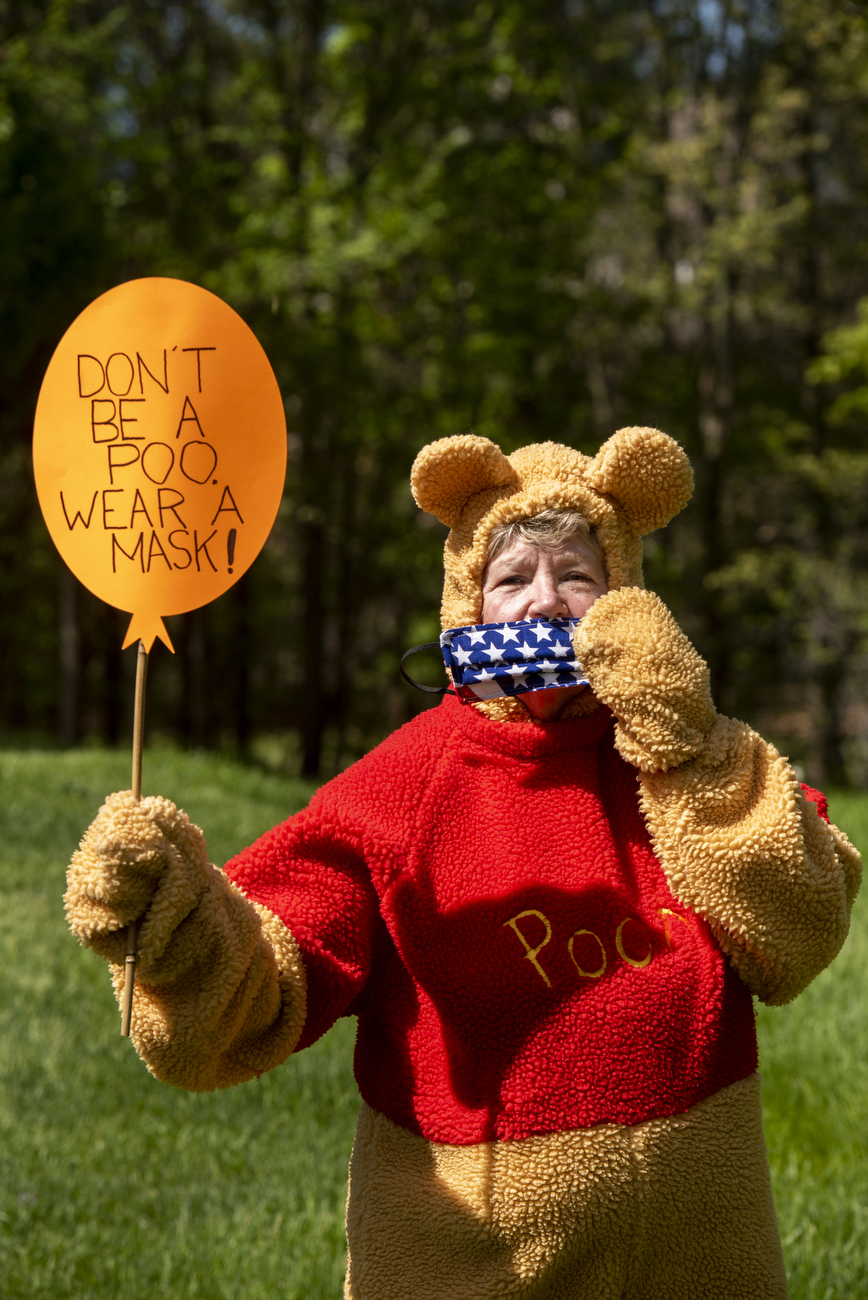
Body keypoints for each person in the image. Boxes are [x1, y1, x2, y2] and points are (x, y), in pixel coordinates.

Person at [66, 426, 861, 1300]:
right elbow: (261, 981)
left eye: (580, 577)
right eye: (512, 578)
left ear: (629, 596)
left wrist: (685, 740)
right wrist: (178, 926)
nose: (546, 602)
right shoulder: (400, 789)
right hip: (468, 1269)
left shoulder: (691, 757)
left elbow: (797, 932)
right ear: (465, 606)